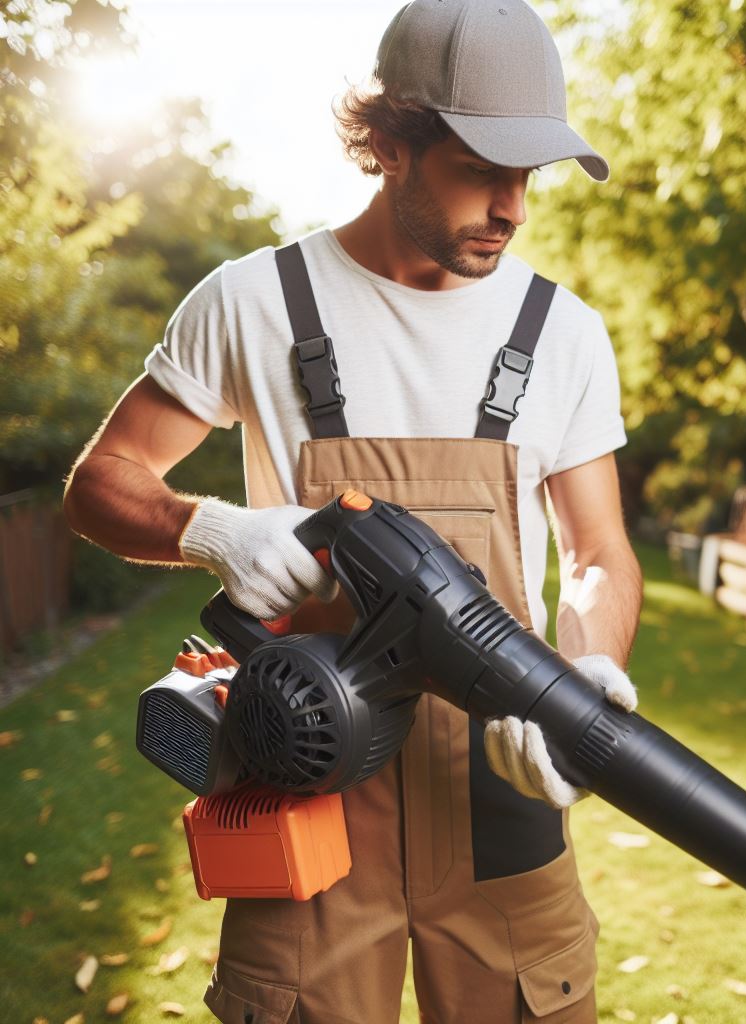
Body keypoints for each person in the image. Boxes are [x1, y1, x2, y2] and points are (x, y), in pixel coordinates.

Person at [62, 0, 643, 1020]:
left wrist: (589, 671)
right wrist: (214, 530)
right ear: (388, 143)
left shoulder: (565, 334)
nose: (513, 205)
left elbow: (596, 550)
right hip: (307, 790)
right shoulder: (252, 302)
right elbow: (99, 483)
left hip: (505, 790)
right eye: (480, 167)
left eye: (528, 174)